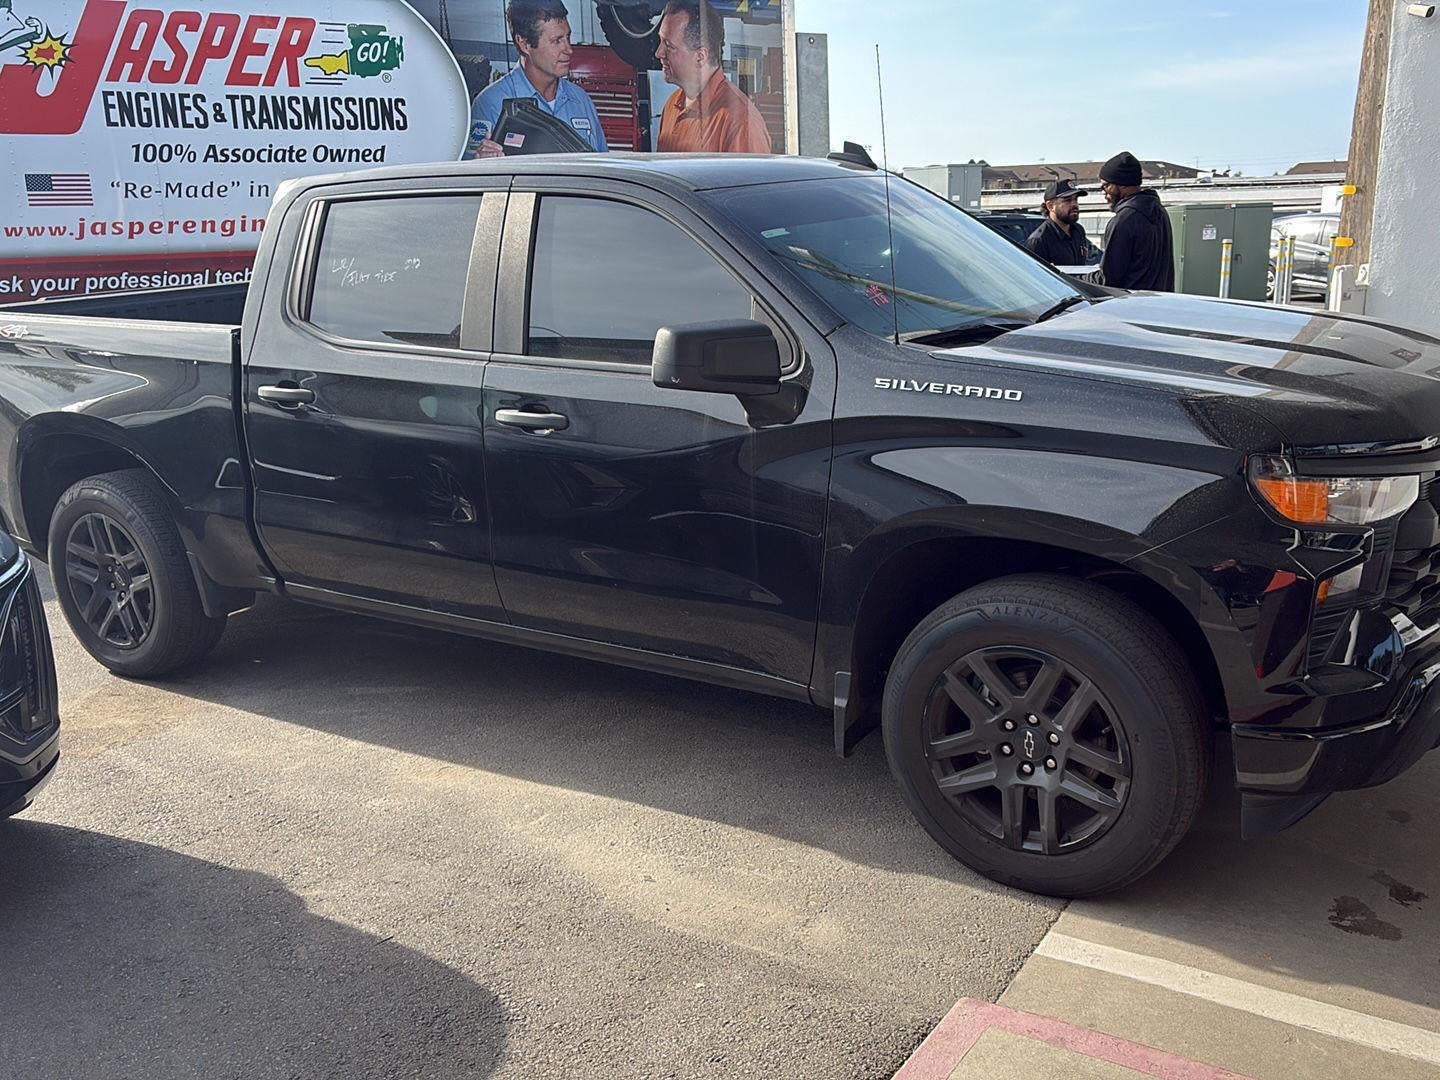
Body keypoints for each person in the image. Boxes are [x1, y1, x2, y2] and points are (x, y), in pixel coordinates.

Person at [470, 1, 608, 158]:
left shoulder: (581, 101)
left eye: (568, 37)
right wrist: (481, 162)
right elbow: (469, 171)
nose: (569, 49)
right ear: (525, 44)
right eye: (557, 41)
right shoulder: (490, 104)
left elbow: (602, 165)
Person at [655, 0, 772, 155]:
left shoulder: (741, 122)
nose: (659, 53)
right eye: (661, 42)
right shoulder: (672, 105)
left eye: (669, 46)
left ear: (700, 57)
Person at [1097, 151, 1175, 291]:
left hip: (1130, 302)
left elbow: (1107, 279)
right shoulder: (1160, 212)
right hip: (1160, 301)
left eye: (1106, 186)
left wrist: (1074, 279)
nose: (1104, 193)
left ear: (1121, 184)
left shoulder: (1123, 221)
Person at [1025, 179, 1095, 266]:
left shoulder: (1078, 230)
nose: (1074, 204)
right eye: (1068, 200)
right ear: (1050, 206)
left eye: (1075, 199)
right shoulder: (1039, 241)